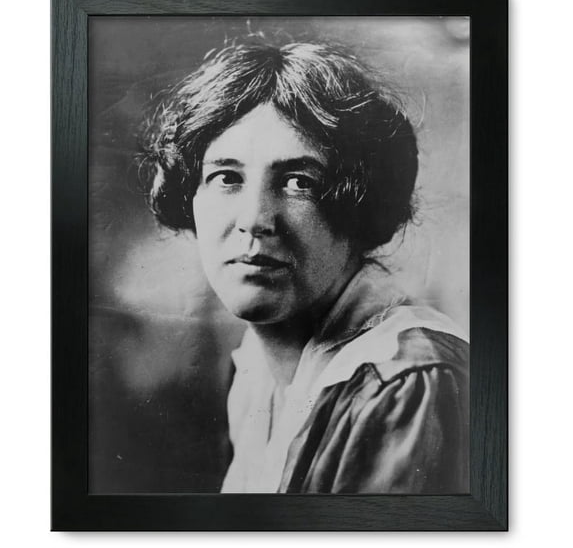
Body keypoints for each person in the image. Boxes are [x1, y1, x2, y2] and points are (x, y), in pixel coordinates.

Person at [138, 38, 469, 493]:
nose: (256, 219)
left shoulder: (406, 383)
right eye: (226, 177)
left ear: (361, 206)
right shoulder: (256, 373)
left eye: (299, 182)